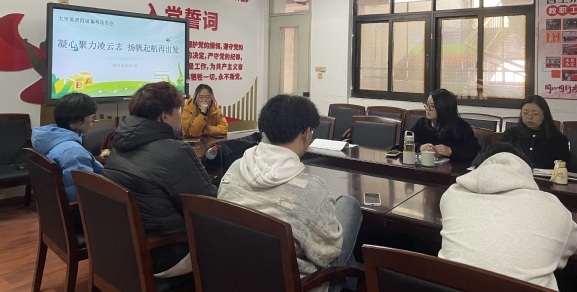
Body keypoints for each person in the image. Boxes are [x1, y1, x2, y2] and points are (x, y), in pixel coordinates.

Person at [218, 94, 362, 292]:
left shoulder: (235, 169)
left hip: (237, 275)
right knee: (349, 205)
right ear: (306, 133)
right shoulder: (311, 190)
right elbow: (328, 253)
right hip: (297, 284)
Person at [103, 81, 217, 275]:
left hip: (124, 249)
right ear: (165, 115)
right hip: (165, 254)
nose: (180, 115)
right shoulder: (175, 152)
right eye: (178, 110)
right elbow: (209, 206)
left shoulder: (119, 144)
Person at [438, 143, 577, 290]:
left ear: (476, 168)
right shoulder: (554, 207)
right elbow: (565, 254)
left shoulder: (452, 195)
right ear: (527, 172)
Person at [31, 92, 103, 202]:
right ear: (75, 119)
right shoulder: (74, 152)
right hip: (81, 208)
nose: (93, 121)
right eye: (92, 117)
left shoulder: (47, 139)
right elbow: (82, 193)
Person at [500, 94, 570, 169]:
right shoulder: (510, 134)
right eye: (525, 113)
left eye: (535, 114)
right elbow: (499, 159)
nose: (529, 117)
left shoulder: (559, 140)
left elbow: (563, 169)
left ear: (545, 115)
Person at [411, 88, 480, 163]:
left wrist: (451, 151)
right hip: (424, 167)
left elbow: (475, 152)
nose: (427, 108)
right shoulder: (422, 123)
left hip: (452, 168)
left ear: (443, 108)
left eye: (432, 106)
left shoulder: (461, 127)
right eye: (427, 104)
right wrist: (419, 147)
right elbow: (405, 142)